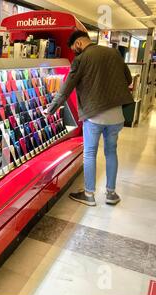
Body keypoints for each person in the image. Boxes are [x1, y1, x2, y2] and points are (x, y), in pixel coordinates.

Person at [47, 30, 134, 206]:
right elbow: (128, 78)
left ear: (78, 43)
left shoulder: (81, 59)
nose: (75, 53)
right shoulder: (114, 53)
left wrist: (51, 108)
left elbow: (66, 87)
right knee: (111, 152)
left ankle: (89, 194)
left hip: (94, 115)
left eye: (74, 49)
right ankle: (111, 194)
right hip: (117, 115)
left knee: (90, 153)